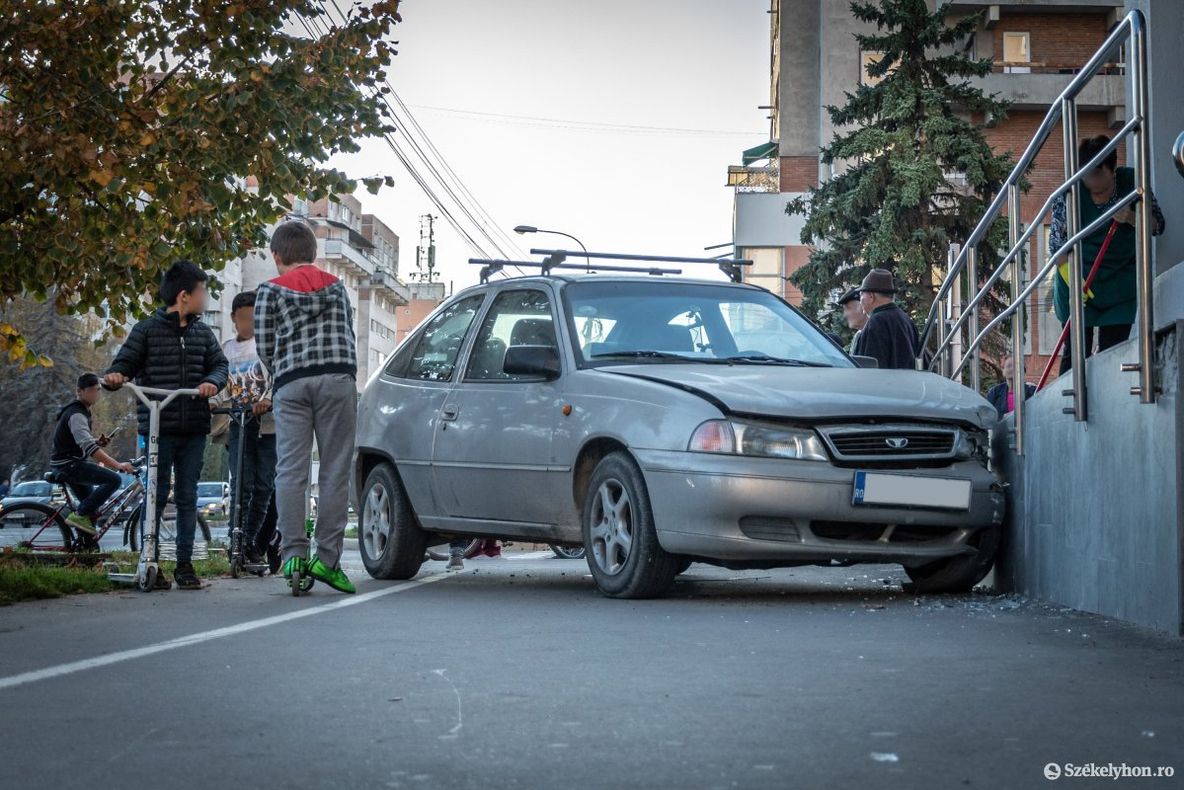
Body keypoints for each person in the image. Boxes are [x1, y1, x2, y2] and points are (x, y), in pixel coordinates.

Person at [104, 261, 228, 590]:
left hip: (193, 428)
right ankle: (151, 561)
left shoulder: (203, 333)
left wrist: (211, 383)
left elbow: (219, 366)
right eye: (202, 292)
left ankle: (185, 567)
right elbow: (124, 363)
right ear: (184, 296)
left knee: (187, 497)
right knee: (154, 496)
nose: (206, 298)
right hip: (158, 429)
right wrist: (117, 376)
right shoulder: (146, 330)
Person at [254, 221, 358, 595]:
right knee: (333, 470)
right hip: (337, 378)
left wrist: (282, 369)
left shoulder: (268, 290)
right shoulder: (336, 286)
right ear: (313, 255)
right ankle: (327, 561)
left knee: (291, 470)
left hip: (292, 383)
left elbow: (265, 345)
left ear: (276, 256)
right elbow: (347, 328)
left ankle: (293, 555)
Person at [1050, 135, 1165, 374]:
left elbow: (1158, 225)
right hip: (1079, 281)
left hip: (1119, 287)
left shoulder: (1133, 182)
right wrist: (1074, 282)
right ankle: (1070, 407)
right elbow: (1057, 248)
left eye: (1098, 176)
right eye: (1087, 176)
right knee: (1074, 356)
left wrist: (1133, 218)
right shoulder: (1069, 192)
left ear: (1113, 170)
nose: (1092, 184)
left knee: (1112, 357)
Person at [211, 290, 276, 564]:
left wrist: (268, 399)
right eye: (243, 319)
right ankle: (235, 542)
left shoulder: (268, 346)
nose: (248, 324)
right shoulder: (226, 349)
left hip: (269, 426)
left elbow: (278, 378)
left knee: (264, 485)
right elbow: (221, 383)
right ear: (234, 319)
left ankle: (250, 541)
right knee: (241, 484)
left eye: (252, 318)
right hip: (239, 423)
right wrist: (214, 401)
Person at [50, 373, 137, 538]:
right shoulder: (76, 414)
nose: (95, 394)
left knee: (91, 510)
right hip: (69, 466)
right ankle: (79, 514)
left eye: (98, 390)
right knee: (114, 480)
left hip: (69, 464)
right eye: (91, 390)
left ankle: (86, 550)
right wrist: (117, 465)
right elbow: (89, 449)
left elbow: (81, 442)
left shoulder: (81, 411)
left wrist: (97, 442)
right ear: (80, 391)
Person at [852, 268, 918, 370]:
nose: (860, 301)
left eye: (861, 295)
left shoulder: (876, 323)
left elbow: (869, 369)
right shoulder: (906, 320)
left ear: (871, 296)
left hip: (885, 384)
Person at [985, 354, 1037, 421]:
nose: (1012, 369)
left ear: (1023, 370)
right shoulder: (994, 392)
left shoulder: (1032, 391)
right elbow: (988, 416)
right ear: (1003, 371)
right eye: (1009, 366)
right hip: (1002, 430)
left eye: (1015, 366)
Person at [836, 287, 867, 354]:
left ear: (863, 307)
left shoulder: (874, 334)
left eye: (848, 308)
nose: (845, 315)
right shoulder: (859, 335)